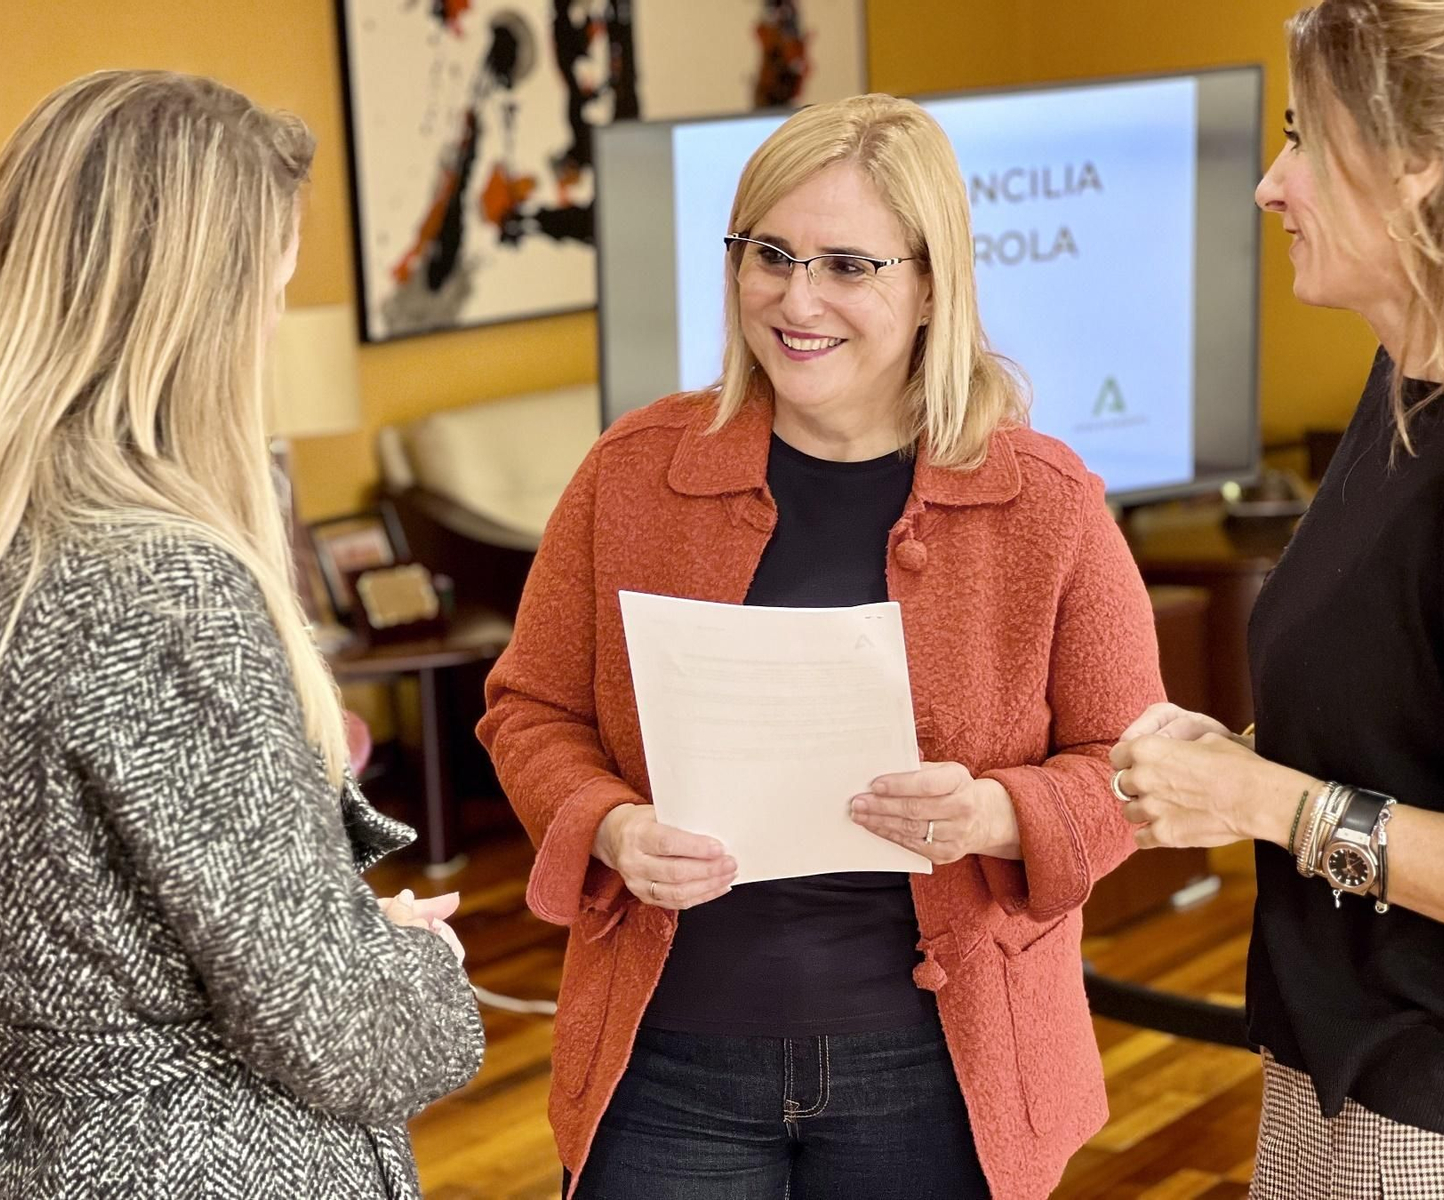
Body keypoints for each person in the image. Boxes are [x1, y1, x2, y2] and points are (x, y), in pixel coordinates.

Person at [478, 93, 1164, 1200]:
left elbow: (1133, 769)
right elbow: (530, 709)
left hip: (940, 1071)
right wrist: (606, 826)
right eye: (770, 254)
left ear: (932, 283)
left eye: (849, 266)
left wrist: (995, 814)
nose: (797, 301)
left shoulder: (1047, 503)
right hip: (667, 1063)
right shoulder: (632, 470)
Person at [0, 71, 484, 1199]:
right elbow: (339, 1034)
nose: (271, 332)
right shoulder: (160, 587)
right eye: (271, 295)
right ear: (198, 308)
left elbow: (87, 922)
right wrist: (418, 972)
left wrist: (333, 932)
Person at [1109, 1, 1444, 1194]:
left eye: (1304, 136)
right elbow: (1419, 732)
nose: (1269, 183)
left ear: (1415, 173)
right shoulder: (1401, 389)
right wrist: (1235, 773)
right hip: (1333, 1067)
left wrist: (1261, 796)